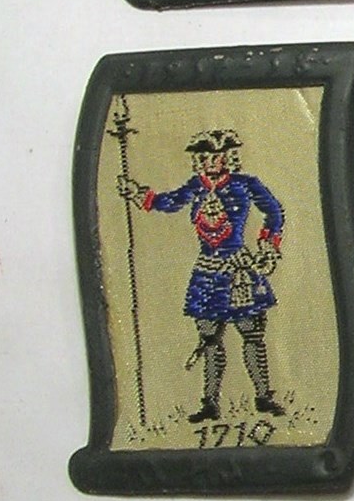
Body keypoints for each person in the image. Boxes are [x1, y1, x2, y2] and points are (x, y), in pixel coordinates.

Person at [117, 127, 285, 423]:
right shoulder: (195, 187)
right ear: (199, 160)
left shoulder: (245, 185)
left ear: (228, 157)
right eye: (206, 157)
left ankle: (263, 396)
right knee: (209, 339)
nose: (212, 162)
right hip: (207, 274)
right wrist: (136, 193)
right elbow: (168, 202)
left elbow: (274, 211)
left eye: (218, 156)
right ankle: (210, 402)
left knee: (251, 334)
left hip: (239, 271)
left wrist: (267, 246)